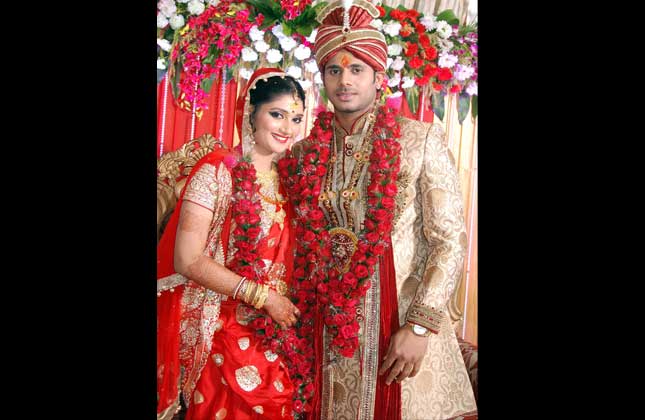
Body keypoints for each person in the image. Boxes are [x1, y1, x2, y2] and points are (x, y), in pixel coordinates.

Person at [279, 1, 477, 419]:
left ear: (378, 77)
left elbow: (449, 241)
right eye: (333, 70)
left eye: (356, 69)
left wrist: (420, 326)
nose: (344, 81)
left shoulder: (418, 140)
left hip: (400, 339)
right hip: (325, 339)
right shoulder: (302, 154)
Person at [157, 68, 307, 420]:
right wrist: (262, 298)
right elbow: (187, 259)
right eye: (277, 114)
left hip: (280, 325)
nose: (287, 128)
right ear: (250, 113)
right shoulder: (216, 171)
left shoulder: (294, 181)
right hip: (220, 319)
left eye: (296, 118)